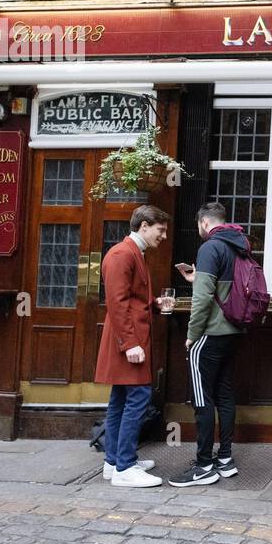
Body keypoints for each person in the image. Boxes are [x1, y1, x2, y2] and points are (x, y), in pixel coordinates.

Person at [169, 202, 247, 487]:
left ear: (204, 223)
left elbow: (203, 300)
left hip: (209, 334)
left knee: (202, 399)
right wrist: (196, 278)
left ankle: (203, 466)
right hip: (232, 331)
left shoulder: (209, 248)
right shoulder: (238, 245)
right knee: (225, 395)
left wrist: (191, 334)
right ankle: (224, 459)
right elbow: (222, 290)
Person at [96, 204, 173, 488]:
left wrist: (153, 305)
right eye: (160, 230)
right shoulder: (121, 254)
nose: (163, 236)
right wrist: (130, 343)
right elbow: (116, 304)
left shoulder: (131, 252)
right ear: (144, 226)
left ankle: (113, 461)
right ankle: (125, 467)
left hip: (129, 340)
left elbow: (130, 300)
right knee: (138, 398)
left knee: (120, 401)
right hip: (128, 342)